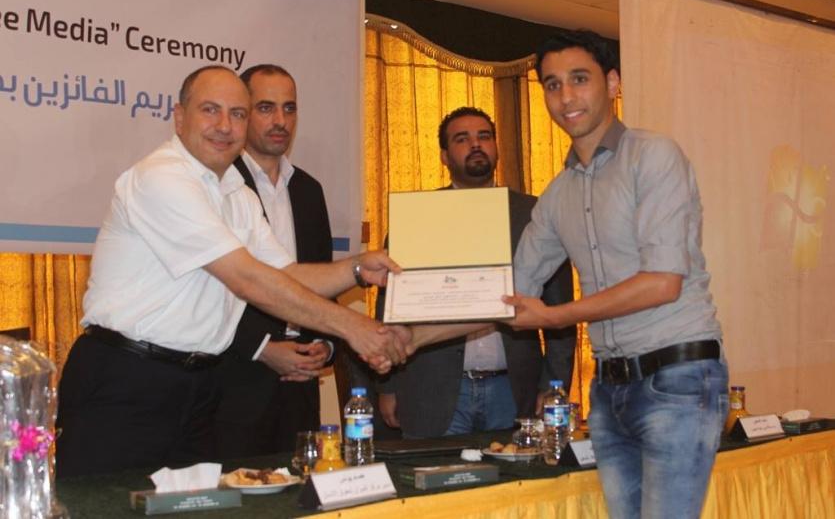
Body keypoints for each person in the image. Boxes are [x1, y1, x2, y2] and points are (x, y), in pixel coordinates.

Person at [56, 65, 411, 477]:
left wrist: (357, 268)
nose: (225, 126)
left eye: (238, 114)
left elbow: (286, 274)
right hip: (128, 379)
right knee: (103, 504)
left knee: (199, 504)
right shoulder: (161, 177)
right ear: (179, 117)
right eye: (210, 110)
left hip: (199, 386)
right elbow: (246, 278)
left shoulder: (236, 193)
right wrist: (353, 327)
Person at [502, 30, 728, 518]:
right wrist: (407, 336)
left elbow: (662, 281)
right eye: (553, 85)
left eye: (579, 79)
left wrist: (555, 315)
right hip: (608, 389)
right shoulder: (558, 194)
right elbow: (510, 290)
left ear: (612, 82)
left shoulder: (654, 155)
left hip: (678, 377)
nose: (566, 97)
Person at [372, 107, 576, 438]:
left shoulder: (534, 215)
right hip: (432, 390)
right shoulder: (418, 218)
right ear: (444, 156)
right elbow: (389, 311)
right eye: (462, 139)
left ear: (496, 147)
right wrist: (389, 386)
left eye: (484, 136)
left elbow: (560, 308)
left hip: (513, 389)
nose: (476, 144)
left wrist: (554, 384)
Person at [214, 64, 336, 457]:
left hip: (301, 383)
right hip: (235, 379)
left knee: (300, 484)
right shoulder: (218, 183)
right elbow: (213, 286)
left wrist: (325, 345)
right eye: (266, 108)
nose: (280, 120)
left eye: (289, 108)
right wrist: (263, 348)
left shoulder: (309, 190)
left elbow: (319, 278)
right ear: (243, 113)